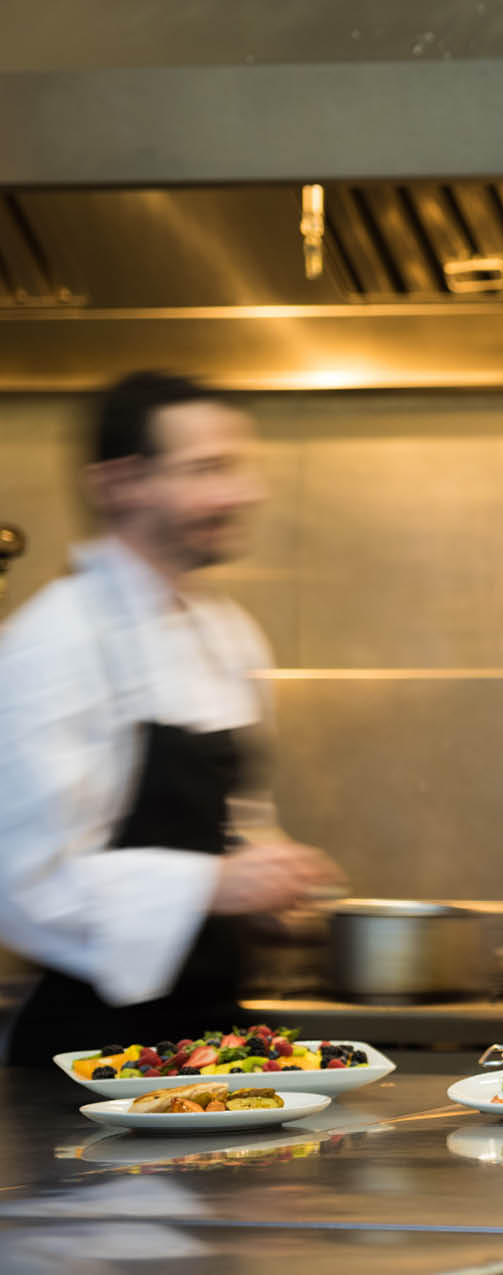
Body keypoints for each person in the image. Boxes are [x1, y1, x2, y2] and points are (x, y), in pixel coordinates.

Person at [0, 372, 340, 1064]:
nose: (243, 493)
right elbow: (24, 884)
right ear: (121, 483)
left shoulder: (227, 633)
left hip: (206, 1038)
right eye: (207, 470)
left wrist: (268, 884)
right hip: (89, 1058)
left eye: (240, 468)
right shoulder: (58, 641)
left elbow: (230, 822)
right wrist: (214, 885)